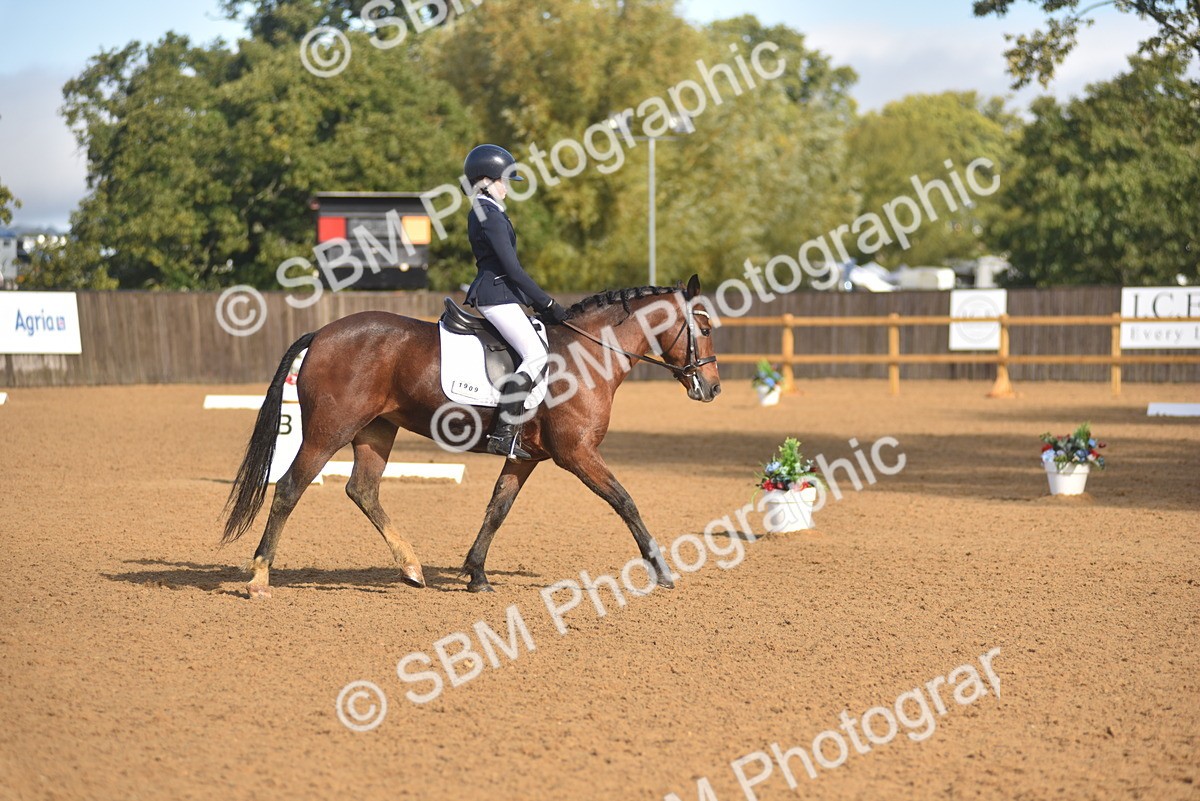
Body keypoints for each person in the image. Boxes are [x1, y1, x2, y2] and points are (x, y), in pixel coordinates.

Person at [462, 144, 570, 460]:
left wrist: (533, 303)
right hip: (495, 295)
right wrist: (547, 304)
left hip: (497, 293)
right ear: (485, 180)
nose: (506, 187)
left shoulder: (484, 210)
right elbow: (512, 269)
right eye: (503, 180)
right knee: (536, 354)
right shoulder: (490, 216)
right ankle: (503, 433)